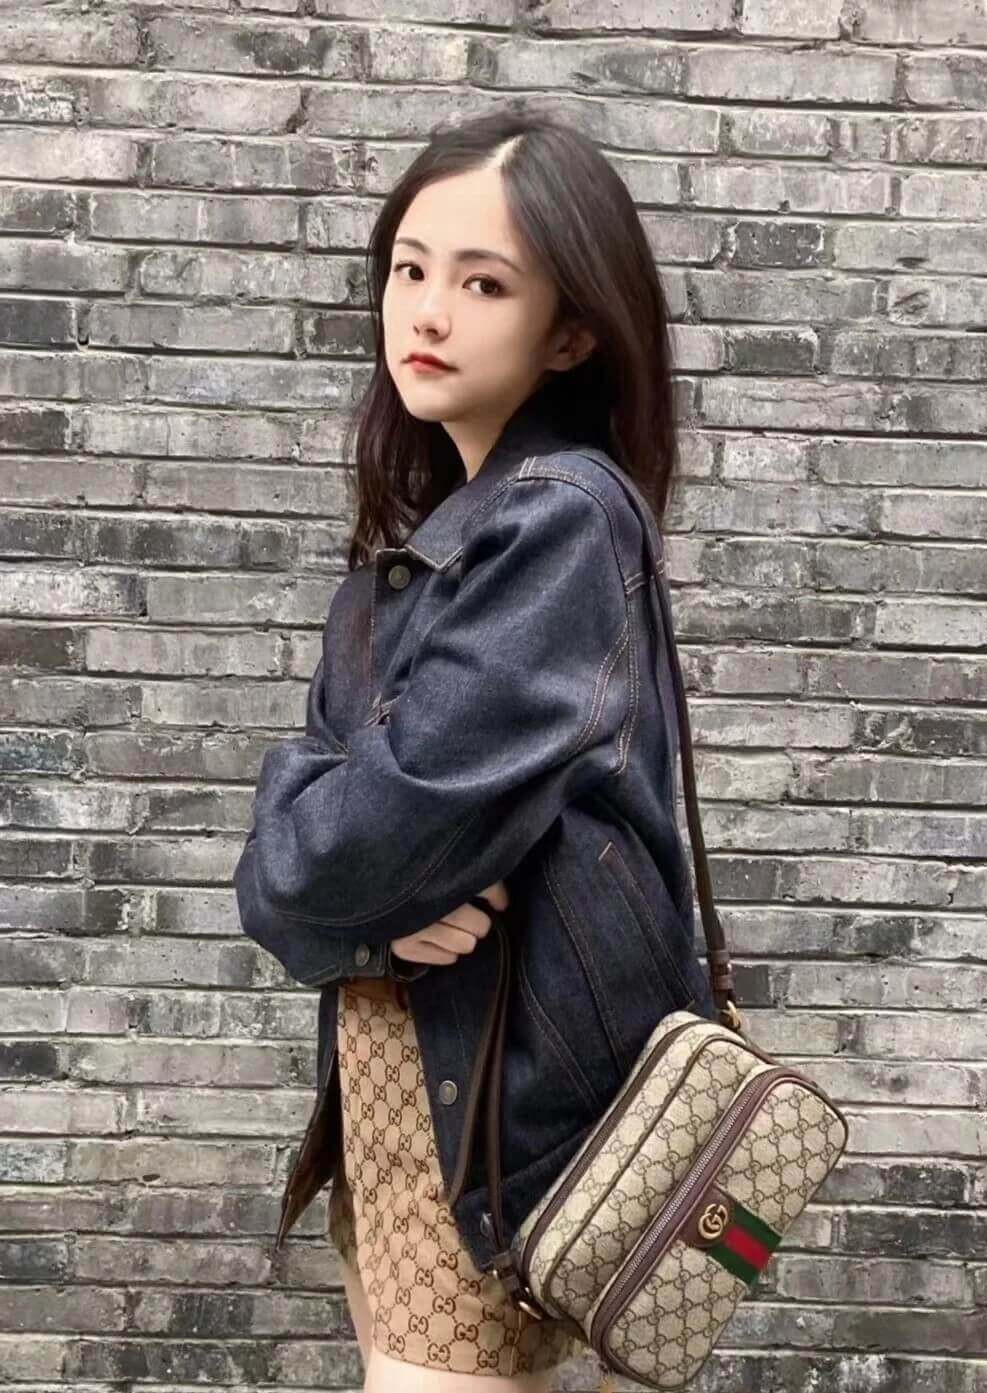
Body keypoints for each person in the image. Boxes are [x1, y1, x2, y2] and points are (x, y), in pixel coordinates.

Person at [233, 107, 713, 1392]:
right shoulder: (440, 534)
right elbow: (330, 854)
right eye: (410, 268)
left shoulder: (556, 523)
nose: (429, 312)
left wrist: (318, 860)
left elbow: (371, 827)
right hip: (408, 1091)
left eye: (484, 283)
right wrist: (368, 917)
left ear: (570, 332)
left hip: (487, 1118)